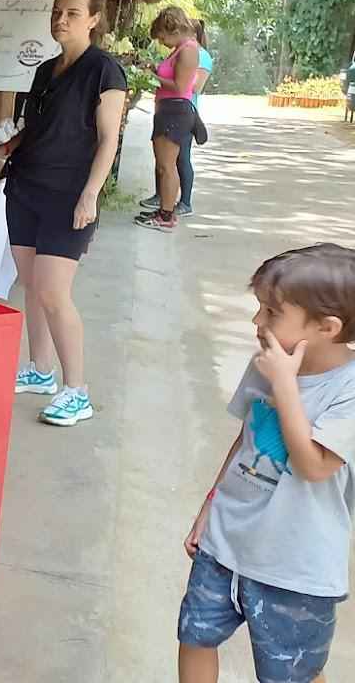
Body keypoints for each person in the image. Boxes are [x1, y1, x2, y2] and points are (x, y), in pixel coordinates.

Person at [177, 244, 355, 683]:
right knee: (195, 635)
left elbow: (314, 465)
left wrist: (285, 385)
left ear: (327, 327)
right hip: (226, 539)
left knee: (291, 671)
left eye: (271, 312)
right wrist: (209, 506)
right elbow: (246, 440)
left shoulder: (345, 389)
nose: (257, 322)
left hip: (295, 565)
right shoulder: (269, 364)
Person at [0, 0, 127, 427]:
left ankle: (78, 391)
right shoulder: (45, 70)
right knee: (32, 285)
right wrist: (4, 149)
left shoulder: (104, 70)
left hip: (67, 195)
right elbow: (37, 128)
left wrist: (90, 195)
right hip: (26, 186)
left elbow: (108, 139)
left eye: (72, 13)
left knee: (53, 292)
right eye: (57, 12)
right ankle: (40, 370)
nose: (61, 19)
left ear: (93, 19)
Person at [135, 6, 203, 232]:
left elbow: (181, 86)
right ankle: (164, 209)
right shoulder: (179, 49)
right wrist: (155, 69)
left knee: (167, 166)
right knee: (163, 165)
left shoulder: (188, 50)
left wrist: (151, 77)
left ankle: (166, 215)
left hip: (175, 110)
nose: (162, 41)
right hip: (167, 109)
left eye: (162, 36)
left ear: (171, 28)